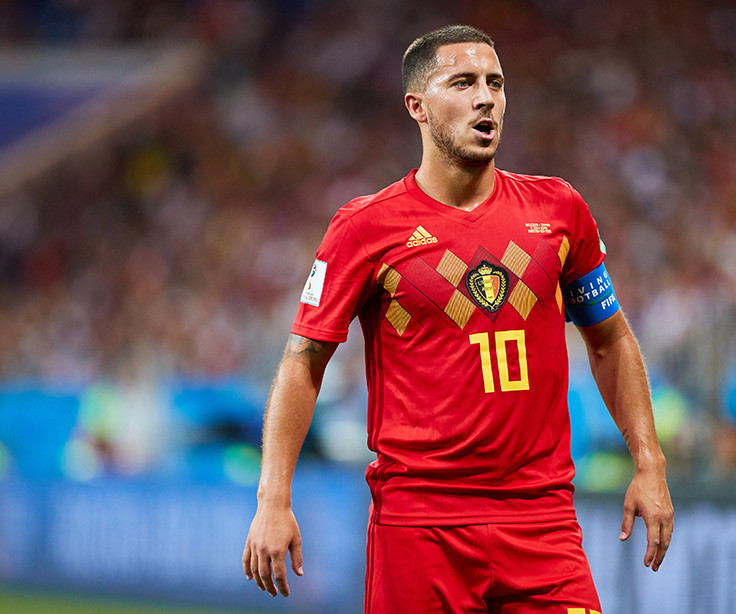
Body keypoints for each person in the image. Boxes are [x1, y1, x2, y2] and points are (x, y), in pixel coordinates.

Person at [243, 24, 673, 613]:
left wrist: (649, 462)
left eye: (495, 83)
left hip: (542, 522)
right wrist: (273, 498)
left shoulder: (559, 210)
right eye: (464, 82)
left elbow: (610, 340)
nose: (485, 98)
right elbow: (303, 362)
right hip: (420, 525)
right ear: (416, 106)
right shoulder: (365, 228)